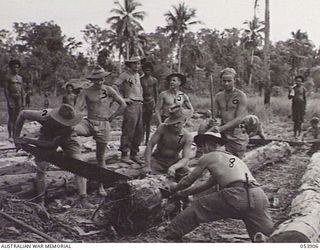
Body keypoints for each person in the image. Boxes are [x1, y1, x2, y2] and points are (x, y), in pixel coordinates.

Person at [164, 132, 274, 242]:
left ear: (207, 145)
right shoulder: (233, 159)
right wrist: (181, 194)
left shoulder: (208, 157)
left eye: (201, 146)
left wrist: (174, 187)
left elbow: (187, 181)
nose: (201, 149)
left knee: (198, 208)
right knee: (268, 236)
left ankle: (170, 232)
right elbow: (205, 185)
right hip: (258, 195)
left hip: (237, 194)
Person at [14, 104, 94, 208]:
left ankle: (83, 199)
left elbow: (52, 144)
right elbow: (22, 114)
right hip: (47, 135)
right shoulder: (44, 115)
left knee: (79, 164)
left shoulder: (70, 127)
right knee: (41, 166)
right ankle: (41, 201)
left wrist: (29, 141)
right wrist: (16, 137)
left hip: (68, 138)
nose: (66, 124)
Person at [75, 65, 127, 196]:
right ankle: (70, 155)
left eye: (102, 79)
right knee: (71, 130)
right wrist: (73, 117)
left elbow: (123, 104)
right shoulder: (86, 91)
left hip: (104, 123)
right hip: (89, 122)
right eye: (97, 80)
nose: (100, 82)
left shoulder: (108, 90)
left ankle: (101, 186)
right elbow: (77, 108)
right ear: (92, 80)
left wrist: (112, 117)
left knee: (101, 157)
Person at [207, 67, 248, 158]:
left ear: (235, 81)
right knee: (203, 128)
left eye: (229, 81)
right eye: (224, 81)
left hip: (235, 132)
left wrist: (221, 128)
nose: (226, 83)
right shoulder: (218, 96)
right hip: (221, 131)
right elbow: (216, 115)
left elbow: (239, 119)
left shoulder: (241, 96)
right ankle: (199, 155)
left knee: (235, 158)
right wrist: (213, 121)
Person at [144, 105, 193, 180]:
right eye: (173, 123)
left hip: (174, 161)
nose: (175, 125)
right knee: (147, 175)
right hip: (158, 160)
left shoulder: (187, 136)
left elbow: (186, 158)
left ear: (184, 121)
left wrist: (174, 167)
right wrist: (147, 165)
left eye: (178, 123)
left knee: (187, 174)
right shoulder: (162, 128)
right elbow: (150, 145)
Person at [114, 55, 145, 164]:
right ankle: (124, 154)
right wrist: (123, 99)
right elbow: (114, 86)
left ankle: (134, 154)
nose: (137, 65)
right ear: (130, 64)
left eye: (138, 63)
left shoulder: (137, 75)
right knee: (128, 129)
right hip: (130, 104)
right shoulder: (124, 75)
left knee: (139, 130)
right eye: (135, 63)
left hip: (139, 104)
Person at [4, 59, 25, 139]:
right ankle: (10, 136)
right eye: (14, 67)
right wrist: (9, 101)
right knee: (11, 117)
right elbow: (5, 89)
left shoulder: (20, 78)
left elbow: (22, 90)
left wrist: (23, 101)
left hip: (18, 98)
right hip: (12, 97)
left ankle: (15, 135)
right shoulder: (8, 77)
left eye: (17, 67)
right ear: (11, 68)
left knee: (17, 117)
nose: (16, 69)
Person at [141, 62, 159, 144]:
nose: (147, 71)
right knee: (142, 122)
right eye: (145, 70)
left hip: (151, 101)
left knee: (148, 122)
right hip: (143, 101)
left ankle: (147, 140)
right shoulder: (141, 80)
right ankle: (140, 138)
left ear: (151, 70)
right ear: (143, 70)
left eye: (148, 70)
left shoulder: (154, 80)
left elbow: (156, 93)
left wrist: (156, 104)